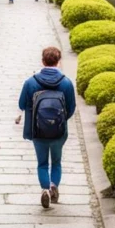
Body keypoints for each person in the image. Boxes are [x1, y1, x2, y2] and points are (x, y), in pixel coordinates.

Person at [16, 46, 76, 208]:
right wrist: (60, 121)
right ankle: (54, 185)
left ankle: (44, 189)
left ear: (43, 61)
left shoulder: (31, 82)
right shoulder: (66, 83)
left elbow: (21, 104)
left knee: (42, 163)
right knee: (56, 161)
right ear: (58, 61)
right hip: (58, 132)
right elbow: (71, 109)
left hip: (38, 131)